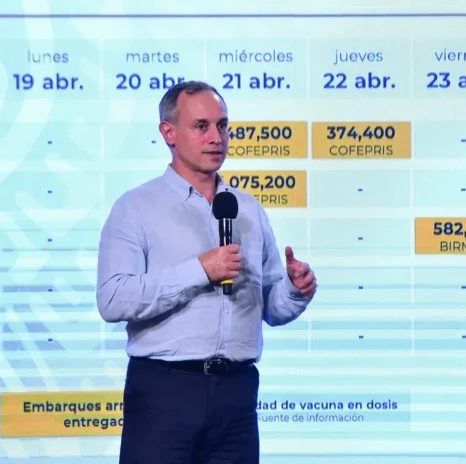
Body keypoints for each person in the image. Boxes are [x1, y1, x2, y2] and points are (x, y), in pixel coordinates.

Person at [96, 80, 317, 464]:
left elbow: (271, 308)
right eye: (201, 126)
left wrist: (295, 290)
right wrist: (199, 270)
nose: (216, 137)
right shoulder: (136, 207)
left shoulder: (248, 209)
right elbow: (113, 300)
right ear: (169, 132)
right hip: (165, 392)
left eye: (222, 125)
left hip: (237, 395)